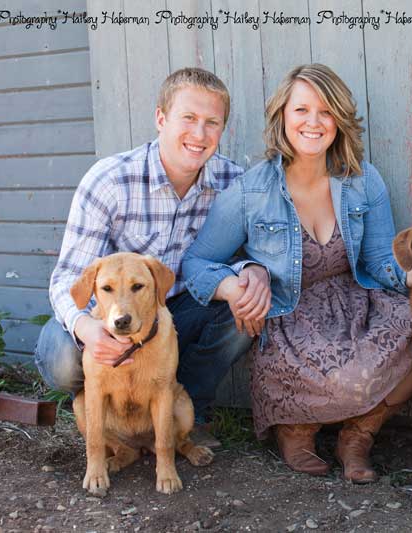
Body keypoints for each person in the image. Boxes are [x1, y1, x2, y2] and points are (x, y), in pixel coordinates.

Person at [182, 64, 412, 482]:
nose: (314, 122)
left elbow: (380, 260)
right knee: (349, 378)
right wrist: (232, 285)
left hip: (355, 302)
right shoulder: (250, 191)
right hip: (291, 316)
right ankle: (297, 428)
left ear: (340, 120)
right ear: (282, 117)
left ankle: (359, 434)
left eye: (326, 112)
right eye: (302, 110)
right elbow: (195, 263)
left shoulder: (364, 181)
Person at [34, 68, 270, 446]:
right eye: (188, 118)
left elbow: (249, 252)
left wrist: (254, 269)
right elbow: (66, 278)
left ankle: (186, 414)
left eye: (212, 123)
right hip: (111, 314)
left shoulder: (232, 183)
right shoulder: (110, 180)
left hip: (179, 311)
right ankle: (112, 417)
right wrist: (86, 329)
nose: (199, 134)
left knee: (246, 302)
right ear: (161, 118)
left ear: (223, 129)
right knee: (62, 362)